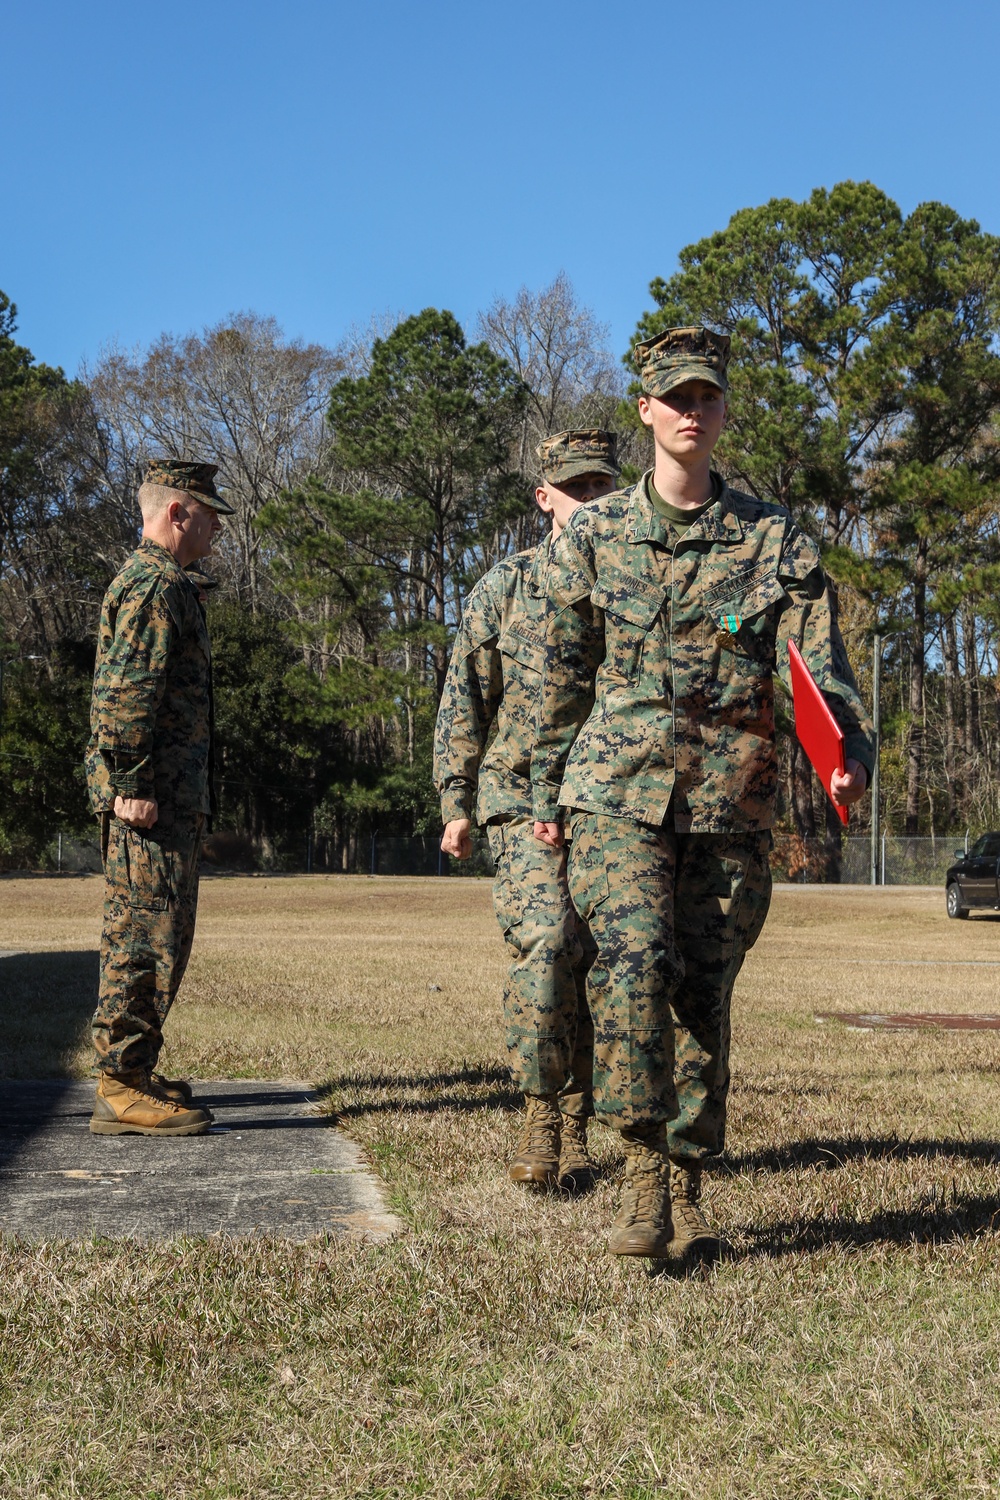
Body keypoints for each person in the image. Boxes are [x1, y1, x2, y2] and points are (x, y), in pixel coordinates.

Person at [531, 329, 875, 1259]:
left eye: (707, 397)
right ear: (643, 409)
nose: (692, 411)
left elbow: (820, 671)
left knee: (701, 991)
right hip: (614, 796)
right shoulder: (593, 538)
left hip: (731, 801)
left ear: (723, 412)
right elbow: (556, 683)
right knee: (634, 964)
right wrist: (541, 793)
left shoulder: (774, 541)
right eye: (674, 396)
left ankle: (687, 1170)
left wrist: (846, 752)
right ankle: (643, 1175)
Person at [434, 430, 619, 1190]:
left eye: (601, 490)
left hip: (611, 802)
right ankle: (544, 1115)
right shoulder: (503, 589)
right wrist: (455, 797)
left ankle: (581, 1125)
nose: (588, 505)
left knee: (608, 962)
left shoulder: (633, 588)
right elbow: (464, 697)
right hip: (516, 797)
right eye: (574, 491)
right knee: (547, 944)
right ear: (544, 498)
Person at [84, 459, 234, 1136]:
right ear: (178, 511)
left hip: (169, 795)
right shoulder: (152, 586)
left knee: (159, 933)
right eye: (208, 515)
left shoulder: (167, 584)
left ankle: (135, 1068)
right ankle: (119, 1085)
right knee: (144, 938)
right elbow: (124, 698)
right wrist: (130, 788)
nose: (215, 530)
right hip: (152, 800)